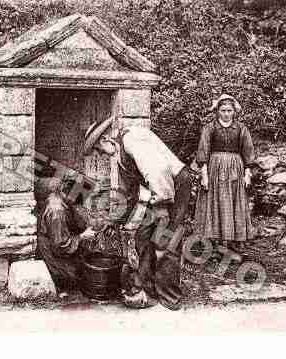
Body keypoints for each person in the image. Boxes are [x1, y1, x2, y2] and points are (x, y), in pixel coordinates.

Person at [84, 118, 193, 310]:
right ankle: (148, 290)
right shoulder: (119, 155)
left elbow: (157, 171)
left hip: (173, 187)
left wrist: (161, 206)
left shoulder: (132, 140)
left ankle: (169, 298)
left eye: (99, 150)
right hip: (159, 192)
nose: (100, 155)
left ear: (106, 139)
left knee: (166, 241)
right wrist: (115, 220)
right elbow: (130, 193)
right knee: (143, 236)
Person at [195, 94, 255, 254]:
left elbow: (248, 152)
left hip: (236, 169)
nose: (226, 114)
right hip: (215, 169)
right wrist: (204, 174)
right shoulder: (210, 128)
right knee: (215, 202)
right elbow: (203, 151)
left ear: (234, 112)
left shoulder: (241, 129)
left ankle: (235, 240)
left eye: (229, 110)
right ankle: (213, 241)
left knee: (234, 203)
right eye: (223, 110)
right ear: (217, 111)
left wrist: (247, 173)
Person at [37, 176, 97, 295]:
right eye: (79, 198)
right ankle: (60, 283)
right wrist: (82, 237)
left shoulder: (62, 198)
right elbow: (60, 245)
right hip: (52, 250)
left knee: (88, 262)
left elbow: (76, 220)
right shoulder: (57, 211)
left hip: (60, 242)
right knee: (81, 276)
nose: (79, 203)